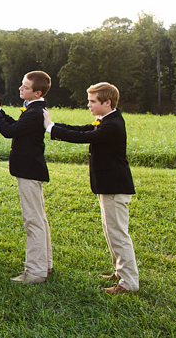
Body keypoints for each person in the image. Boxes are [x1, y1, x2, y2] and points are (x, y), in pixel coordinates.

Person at [43, 82, 138, 294]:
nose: (89, 105)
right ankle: (119, 272)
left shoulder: (112, 125)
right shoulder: (105, 120)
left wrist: (50, 127)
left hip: (115, 187)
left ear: (108, 102)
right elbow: (81, 129)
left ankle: (129, 283)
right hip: (108, 186)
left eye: (93, 101)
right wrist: (54, 126)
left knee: (118, 235)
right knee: (110, 231)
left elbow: (83, 137)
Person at [0, 71, 53, 284]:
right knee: (38, 218)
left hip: (29, 170)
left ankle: (35, 271)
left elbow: (8, 131)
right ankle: (46, 264)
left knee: (33, 220)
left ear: (37, 92)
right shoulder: (34, 109)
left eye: (25, 87)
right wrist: (0, 112)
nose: (20, 89)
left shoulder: (35, 112)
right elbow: (17, 127)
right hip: (30, 169)